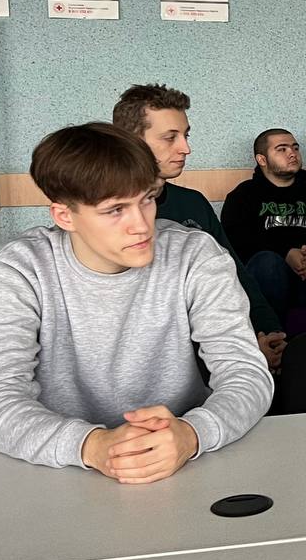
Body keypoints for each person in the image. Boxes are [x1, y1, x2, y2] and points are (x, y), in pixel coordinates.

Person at [0, 123, 273, 480]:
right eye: (115, 210)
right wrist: (94, 446)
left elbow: (246, 373)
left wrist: (194, 433)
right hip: (56, 471)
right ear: (64, 216)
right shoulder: (17, 269)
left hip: (184, 462)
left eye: (147, 199)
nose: (142, 225)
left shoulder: (196, 254)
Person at [112, 83, 286, 371]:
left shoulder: (193, 203)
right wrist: (242, 349)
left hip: (225, 347)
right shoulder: (104, 216)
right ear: (130, 141)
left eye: (186, 135)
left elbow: (235, 274)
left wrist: (267, 331)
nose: (186, 148)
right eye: (170, 137)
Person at [221, 129, 306, 329]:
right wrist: (286, 253)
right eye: (282, 149)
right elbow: (237, 243)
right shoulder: (243, 196)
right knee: (267, 263)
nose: (292, 153)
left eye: (295, 148)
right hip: (267, 280)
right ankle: (272, 335)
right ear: (262, 159)